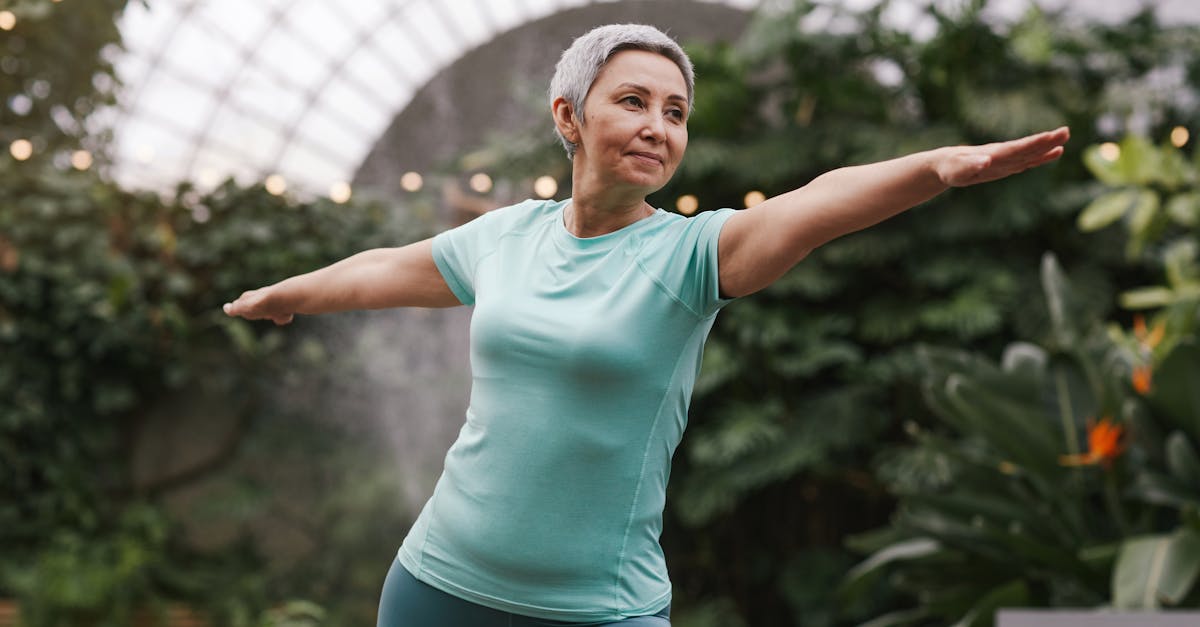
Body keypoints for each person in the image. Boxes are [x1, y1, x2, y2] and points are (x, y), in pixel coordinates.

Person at [223, 23, 1069, 627]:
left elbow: (815, 205)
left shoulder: (695, 256)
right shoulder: (505, 237)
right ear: (569, 117)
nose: (658, 128)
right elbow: (381, 269)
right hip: (437, 586)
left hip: (599, 609)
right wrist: (285, 291)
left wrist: (936, 168)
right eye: (633, 101)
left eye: (675, 112)